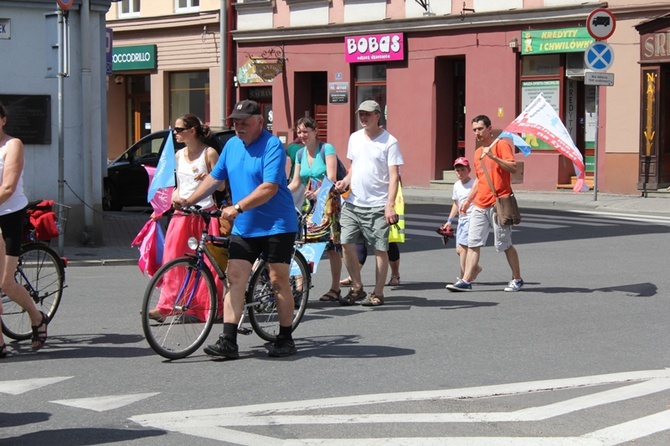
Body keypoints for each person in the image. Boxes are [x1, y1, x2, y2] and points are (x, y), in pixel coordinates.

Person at [175, 99, 299, 358]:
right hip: (245, 225)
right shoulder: (231, 145)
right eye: (235, 122)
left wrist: (238, 207)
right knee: (235, 278)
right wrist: (188, 200)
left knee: (277, 280)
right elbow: (214, 178)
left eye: (244, 122)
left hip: (277, 224)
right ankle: (228, 341)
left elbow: (269, 187)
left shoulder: (272, 145)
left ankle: (285, 338)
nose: (239, 126)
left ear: (259, 122)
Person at [148, 113, 223, 322]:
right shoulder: (179, 155)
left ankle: (207, 306)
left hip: (205, 215)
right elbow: (179, 185)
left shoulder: (209, 154)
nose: (175, 133)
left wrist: (208, 178)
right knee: (172, 259)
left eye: (179, 129)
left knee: (207, 263)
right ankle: (165, 307)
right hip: (182, 214)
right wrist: (172, 197)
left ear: (192, 131)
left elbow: (222, 185)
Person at [334, 100, 403, 307]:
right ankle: (357, 287)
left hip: (377, 204)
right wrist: (344, 182)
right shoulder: (354, 138)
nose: (363, 118)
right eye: (361, 114)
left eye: (367, 114)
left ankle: (378, 293)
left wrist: (389, 204)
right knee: (345, 243)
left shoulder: (390, 141)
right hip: (353, 202)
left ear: (378, 115)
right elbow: (353, 167)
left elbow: (394, 177)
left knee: (380, 249)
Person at [446, 115, 523, 292]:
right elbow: (480, 180)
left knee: (504, 244)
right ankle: (466, 280)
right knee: (473, 243)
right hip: (480, 204)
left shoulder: (502, 145)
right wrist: (468, 201)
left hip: (499, 203)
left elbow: (512, 167)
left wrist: (494, 158)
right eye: (474, 130)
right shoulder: (477, 153)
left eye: (480, 129)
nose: (477, 133)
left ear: (489, 129)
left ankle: (517, 278)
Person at [0, 102, 49, 355]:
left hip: (8, 214)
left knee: (6, 283)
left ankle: (36, 316)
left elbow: (8, 188)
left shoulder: (12, 145)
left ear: (3, 120)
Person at [287, 117, 343, 302]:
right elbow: (296, 182)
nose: (302, 135)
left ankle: (335, 288)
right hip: (309, 204)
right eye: (299, 132)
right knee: (302, 243)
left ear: (315, 131)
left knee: (331, 246)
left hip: (327, 202)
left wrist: (318, 193)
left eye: (306, 131)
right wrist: (279, 193)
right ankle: (300, 290)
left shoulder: (327, 149)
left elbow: (332, 177)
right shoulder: (300, 154)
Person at [440, 157, 480, 283]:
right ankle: (475, 268)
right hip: (462, 220)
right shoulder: (457, 185)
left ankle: (463, 277)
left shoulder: (474, 184)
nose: (460, 173)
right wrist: (449, 220)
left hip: (472, 219)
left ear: (469, 170)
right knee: (459, 250)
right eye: (457, 170)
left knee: (463, 249)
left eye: (462, 170)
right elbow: (456, 204)